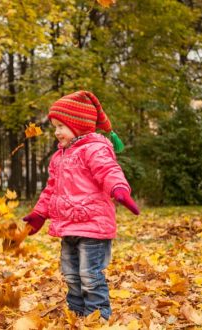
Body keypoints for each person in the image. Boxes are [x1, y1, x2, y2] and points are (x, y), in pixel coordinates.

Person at [23, 91, 139, 320]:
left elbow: (109, 171)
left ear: (78, 125)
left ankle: (97, 317)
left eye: (61, 126)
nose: (56, 132)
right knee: (71, 274)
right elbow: (51, 188)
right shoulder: (60, 156)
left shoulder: (94, 149)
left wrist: (119, 190)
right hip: (69, 226)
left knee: (89, 275)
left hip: (93, 227)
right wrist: (39, 213)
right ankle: (76, 314)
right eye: (55, 126)